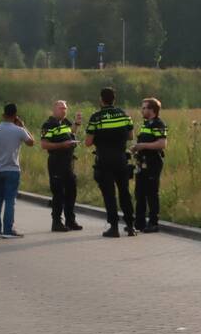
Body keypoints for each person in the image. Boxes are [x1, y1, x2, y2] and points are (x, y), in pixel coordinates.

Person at [84, 87, 136, 238]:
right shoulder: (124, 115)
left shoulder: (96, 117)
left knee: (109, 194)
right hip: (121, 159)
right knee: (124, 192)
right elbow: (130, 135)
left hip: (104, 160)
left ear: (101, 99)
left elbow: (88, 142)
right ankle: (131, 226)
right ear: (114, 99)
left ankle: (113, 228)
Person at [0, 103, 35, 239]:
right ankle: (8, 230)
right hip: (12, 170)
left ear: (3, 115)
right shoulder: (19, 130)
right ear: (15, 116)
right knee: (9, 201)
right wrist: (22, 125)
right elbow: (32, 142)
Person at [40, 100, 83, 233]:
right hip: (56, 162)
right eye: (61, 108)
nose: (63, 111)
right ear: (54, 109)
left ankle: (70, 220)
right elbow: (44, 144)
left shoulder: (65, 122)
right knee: (58, 193)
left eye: (65, 109)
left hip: (68, 161)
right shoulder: (48, 124)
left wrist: (76, 124)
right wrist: (62, 145)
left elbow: (71, 132)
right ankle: (57, 222)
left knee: (71, 191)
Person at [132, 97, 168, 233]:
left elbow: (162, 144)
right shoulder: (146, 124)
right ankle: (139, 223)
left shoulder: (159, 124)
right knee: (139, 193)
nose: (142, 110)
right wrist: (136, 148)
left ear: (152, 110)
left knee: (152, 193)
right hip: (142, 163)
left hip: (153, 162)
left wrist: (142, 145)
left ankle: (153, 223)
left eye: (144, 108)